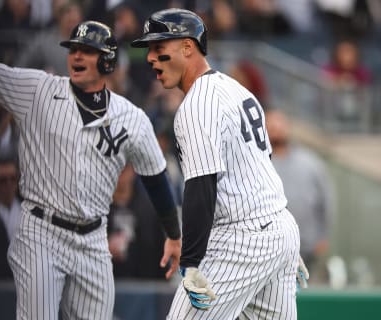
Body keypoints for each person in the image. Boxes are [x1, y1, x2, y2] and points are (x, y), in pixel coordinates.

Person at [0, 19, 181, 320]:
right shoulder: (38, 90)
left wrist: (174, 236)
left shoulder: (132, 118)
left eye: (87, 51)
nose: (76, 57)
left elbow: (156, 179)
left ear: (107, 60)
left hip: (94, 238)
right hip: (41, 231)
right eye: (74, 50)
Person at [131, 8, 305, 319]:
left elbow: (202, 185)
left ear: (187, 46)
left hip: (241, 240)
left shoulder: (197, 105)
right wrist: (283, 242)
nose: (150, 58)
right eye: (149, 50)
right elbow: (260, 168)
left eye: (159, 48)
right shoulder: (235, 88)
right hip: (277, 226)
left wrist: (192, 262)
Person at [266, 109, 334, 282]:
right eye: (271, 125)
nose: (276, 129)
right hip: (269, 245)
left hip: (306, 244)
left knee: (304, 292)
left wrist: (323, 236)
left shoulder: (310, 162)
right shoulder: (259, 164)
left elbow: (326, 201)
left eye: (279, 124)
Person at [14, 1, 84, 76]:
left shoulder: (88, 42)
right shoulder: (44, 40)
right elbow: (20, 65)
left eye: (76, 13)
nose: (72, 16)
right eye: (68, 12)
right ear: (60, 16)